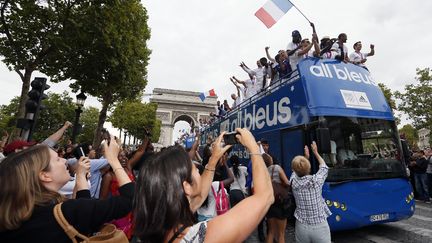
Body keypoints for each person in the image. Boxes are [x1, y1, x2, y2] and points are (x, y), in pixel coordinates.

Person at [133, 129, 274, 243]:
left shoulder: (165, 223)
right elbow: (265, 196)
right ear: (186, 186)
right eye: (194, 169)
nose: (198, 170)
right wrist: (254, 148)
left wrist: (213, 159)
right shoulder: (200, 237)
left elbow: (199, 197)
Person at [0, 136, 135, 242]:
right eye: (57, 159)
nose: (65, 161)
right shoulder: (66, 211)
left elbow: (83, 212)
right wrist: (113, 160)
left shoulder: (18, 217)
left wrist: (81, 176)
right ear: (44, 175)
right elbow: (130, 199)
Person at [290, 142, 331, 243]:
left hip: (301, 226)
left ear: (294, 170)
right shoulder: (316, 181)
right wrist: (315, 152)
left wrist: (305, 158)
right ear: (309, 168)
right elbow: (324, 166)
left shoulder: (293, 181)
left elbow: (296, 171)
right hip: (320, 226)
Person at [263, 153, 290, 243]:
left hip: (270, 202)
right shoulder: (277, 168)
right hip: (280, 203)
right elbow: (287, 182)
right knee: (281, 234)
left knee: (271, 232)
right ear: (270, 160)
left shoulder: (262, 171)